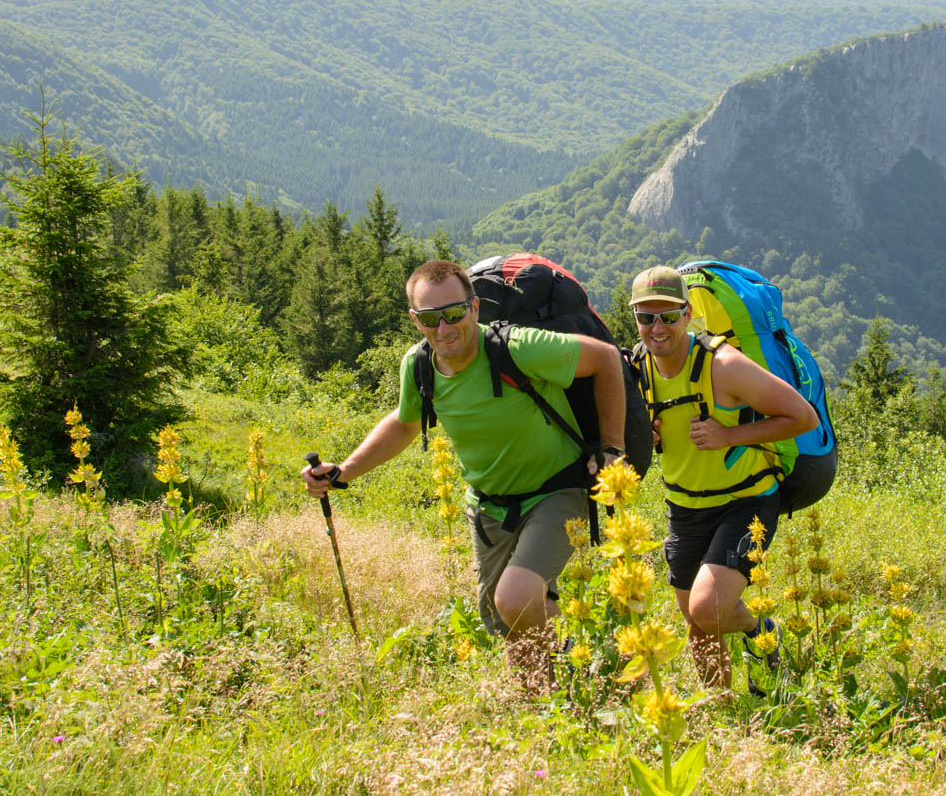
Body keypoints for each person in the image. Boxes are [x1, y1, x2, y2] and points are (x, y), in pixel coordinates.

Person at [301, 259, 626, 691]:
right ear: (415, 320)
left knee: (512, 598)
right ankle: (543, 704)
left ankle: (566, 680)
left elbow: (605, 358)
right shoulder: (418, 368)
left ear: (474, 308)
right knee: (506, 621)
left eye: (453, 313)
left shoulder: (520, 348)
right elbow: (404, 422)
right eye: (431, 319)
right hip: (489, 507)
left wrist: (611, 448)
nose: (444, 328)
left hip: (557, 490)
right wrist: (345, 471)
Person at [629, 265, 820, 692]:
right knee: (698, 625)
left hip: (745, 501)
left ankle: (758, 629)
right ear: (635, 319)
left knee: (707, 609)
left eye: (669, 315)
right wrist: (642, 432)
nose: (657, 328)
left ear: (688, 312)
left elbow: (801, 417)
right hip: (684, 507)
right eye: (646, 317)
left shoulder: (724, 365)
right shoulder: (637, 369)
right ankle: (723, 712)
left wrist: (729, 435)